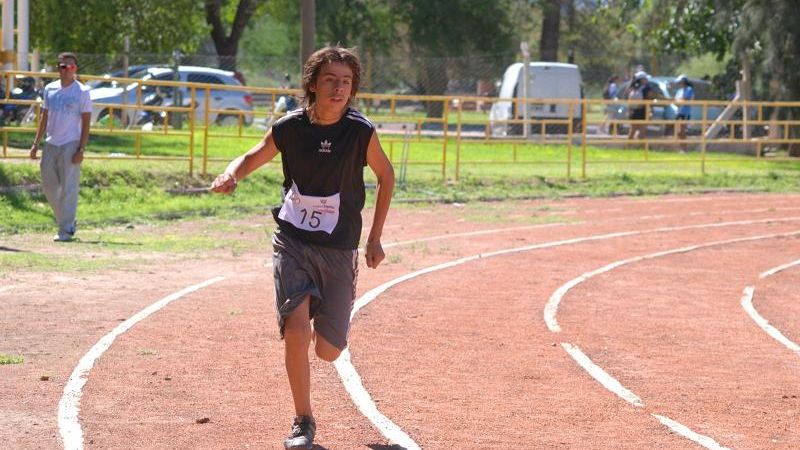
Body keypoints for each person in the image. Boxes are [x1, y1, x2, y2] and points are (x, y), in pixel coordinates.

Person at [210, 46, 394, 450]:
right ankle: (303, 420)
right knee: (296, 330)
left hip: (339, 246)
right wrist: (231, 174)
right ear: (313, 84)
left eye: (346, 82)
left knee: (327, 351)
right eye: (330, 80)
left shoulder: (360, 132)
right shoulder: (290, 127)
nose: (338, 88)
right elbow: (252, 156)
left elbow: (386, 175)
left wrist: (375, 237)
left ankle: (320, 306)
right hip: (293, 239)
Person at [29, 52, 92, 242]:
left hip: (71, 143)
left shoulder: (82, 91)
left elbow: (86, 122)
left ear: (75, 69)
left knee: (69, 188)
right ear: (58, 68)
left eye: (71, 67)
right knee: (49, 187)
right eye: (63, 66)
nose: (67, 70)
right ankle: (67, 220)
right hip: (51, 143)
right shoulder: (50, 89)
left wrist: (81, 149)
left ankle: (66, 229)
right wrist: (35, 144)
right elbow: (44, 117)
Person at [624, 70, 658, 143]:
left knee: (632, 132)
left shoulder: (633, 87)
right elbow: (651, 97)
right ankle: (646, 148)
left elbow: (627, 97)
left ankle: (627, 147)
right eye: (645, 78)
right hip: (642, 111)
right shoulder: (646, 88)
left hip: (633, 111)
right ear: (642, 79)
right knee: (641, 133)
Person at [673, 74, 695, 152]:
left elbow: (684, 99)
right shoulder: (679, 91)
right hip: (678, 112)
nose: (679, 84)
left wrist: (678, 101)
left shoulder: (689, 89)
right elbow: (676, 101)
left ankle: (684, 149)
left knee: (682, 131)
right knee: (678, 132)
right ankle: (681, 148)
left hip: (685, 112)